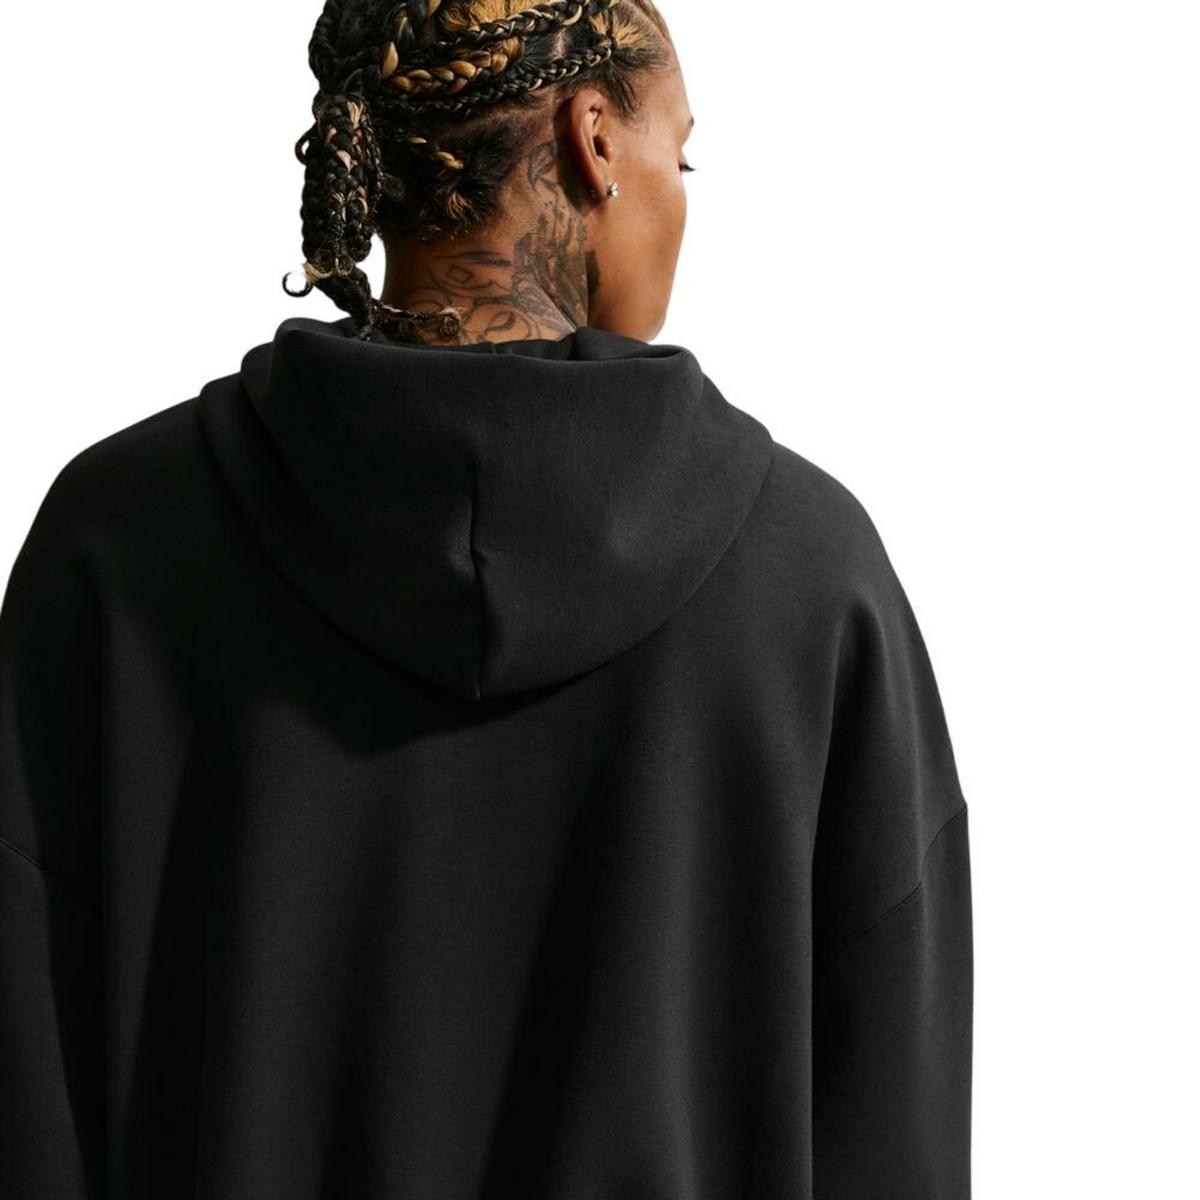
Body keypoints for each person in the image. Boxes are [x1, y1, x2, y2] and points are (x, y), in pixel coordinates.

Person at [0, 1, 973, 1197]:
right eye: (681, 155)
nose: (683, 199)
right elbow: (892, 1123)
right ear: (594, 140)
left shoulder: (118, 545)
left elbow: (24, 1096)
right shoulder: (812, 579)